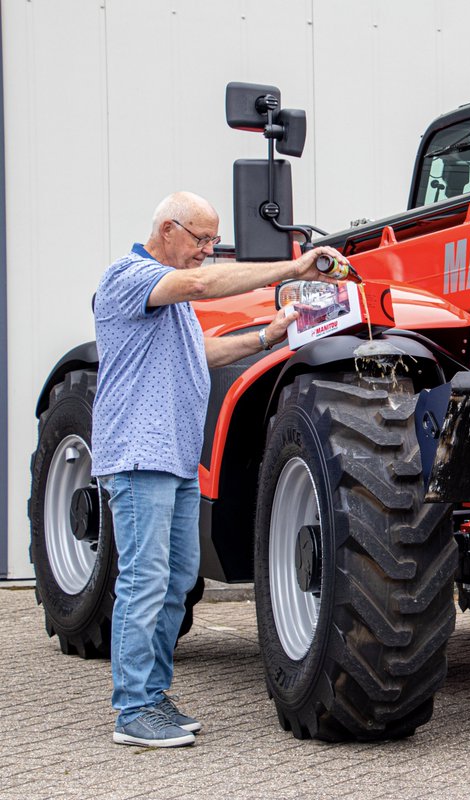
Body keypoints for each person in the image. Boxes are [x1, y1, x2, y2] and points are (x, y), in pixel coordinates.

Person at [91, 191, 344, 747]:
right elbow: (202, 286)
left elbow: (199, 355)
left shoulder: (168, 304)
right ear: (167, 229)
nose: (208, 250)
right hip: (139, 456)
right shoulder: (129, 276)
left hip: (176, 460)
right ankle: (132, 710)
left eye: (213, 240)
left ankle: (153, 697)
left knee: (179, 577)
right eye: (202, 239)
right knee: (144, 580)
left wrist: (268, 336)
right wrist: (295, 266)